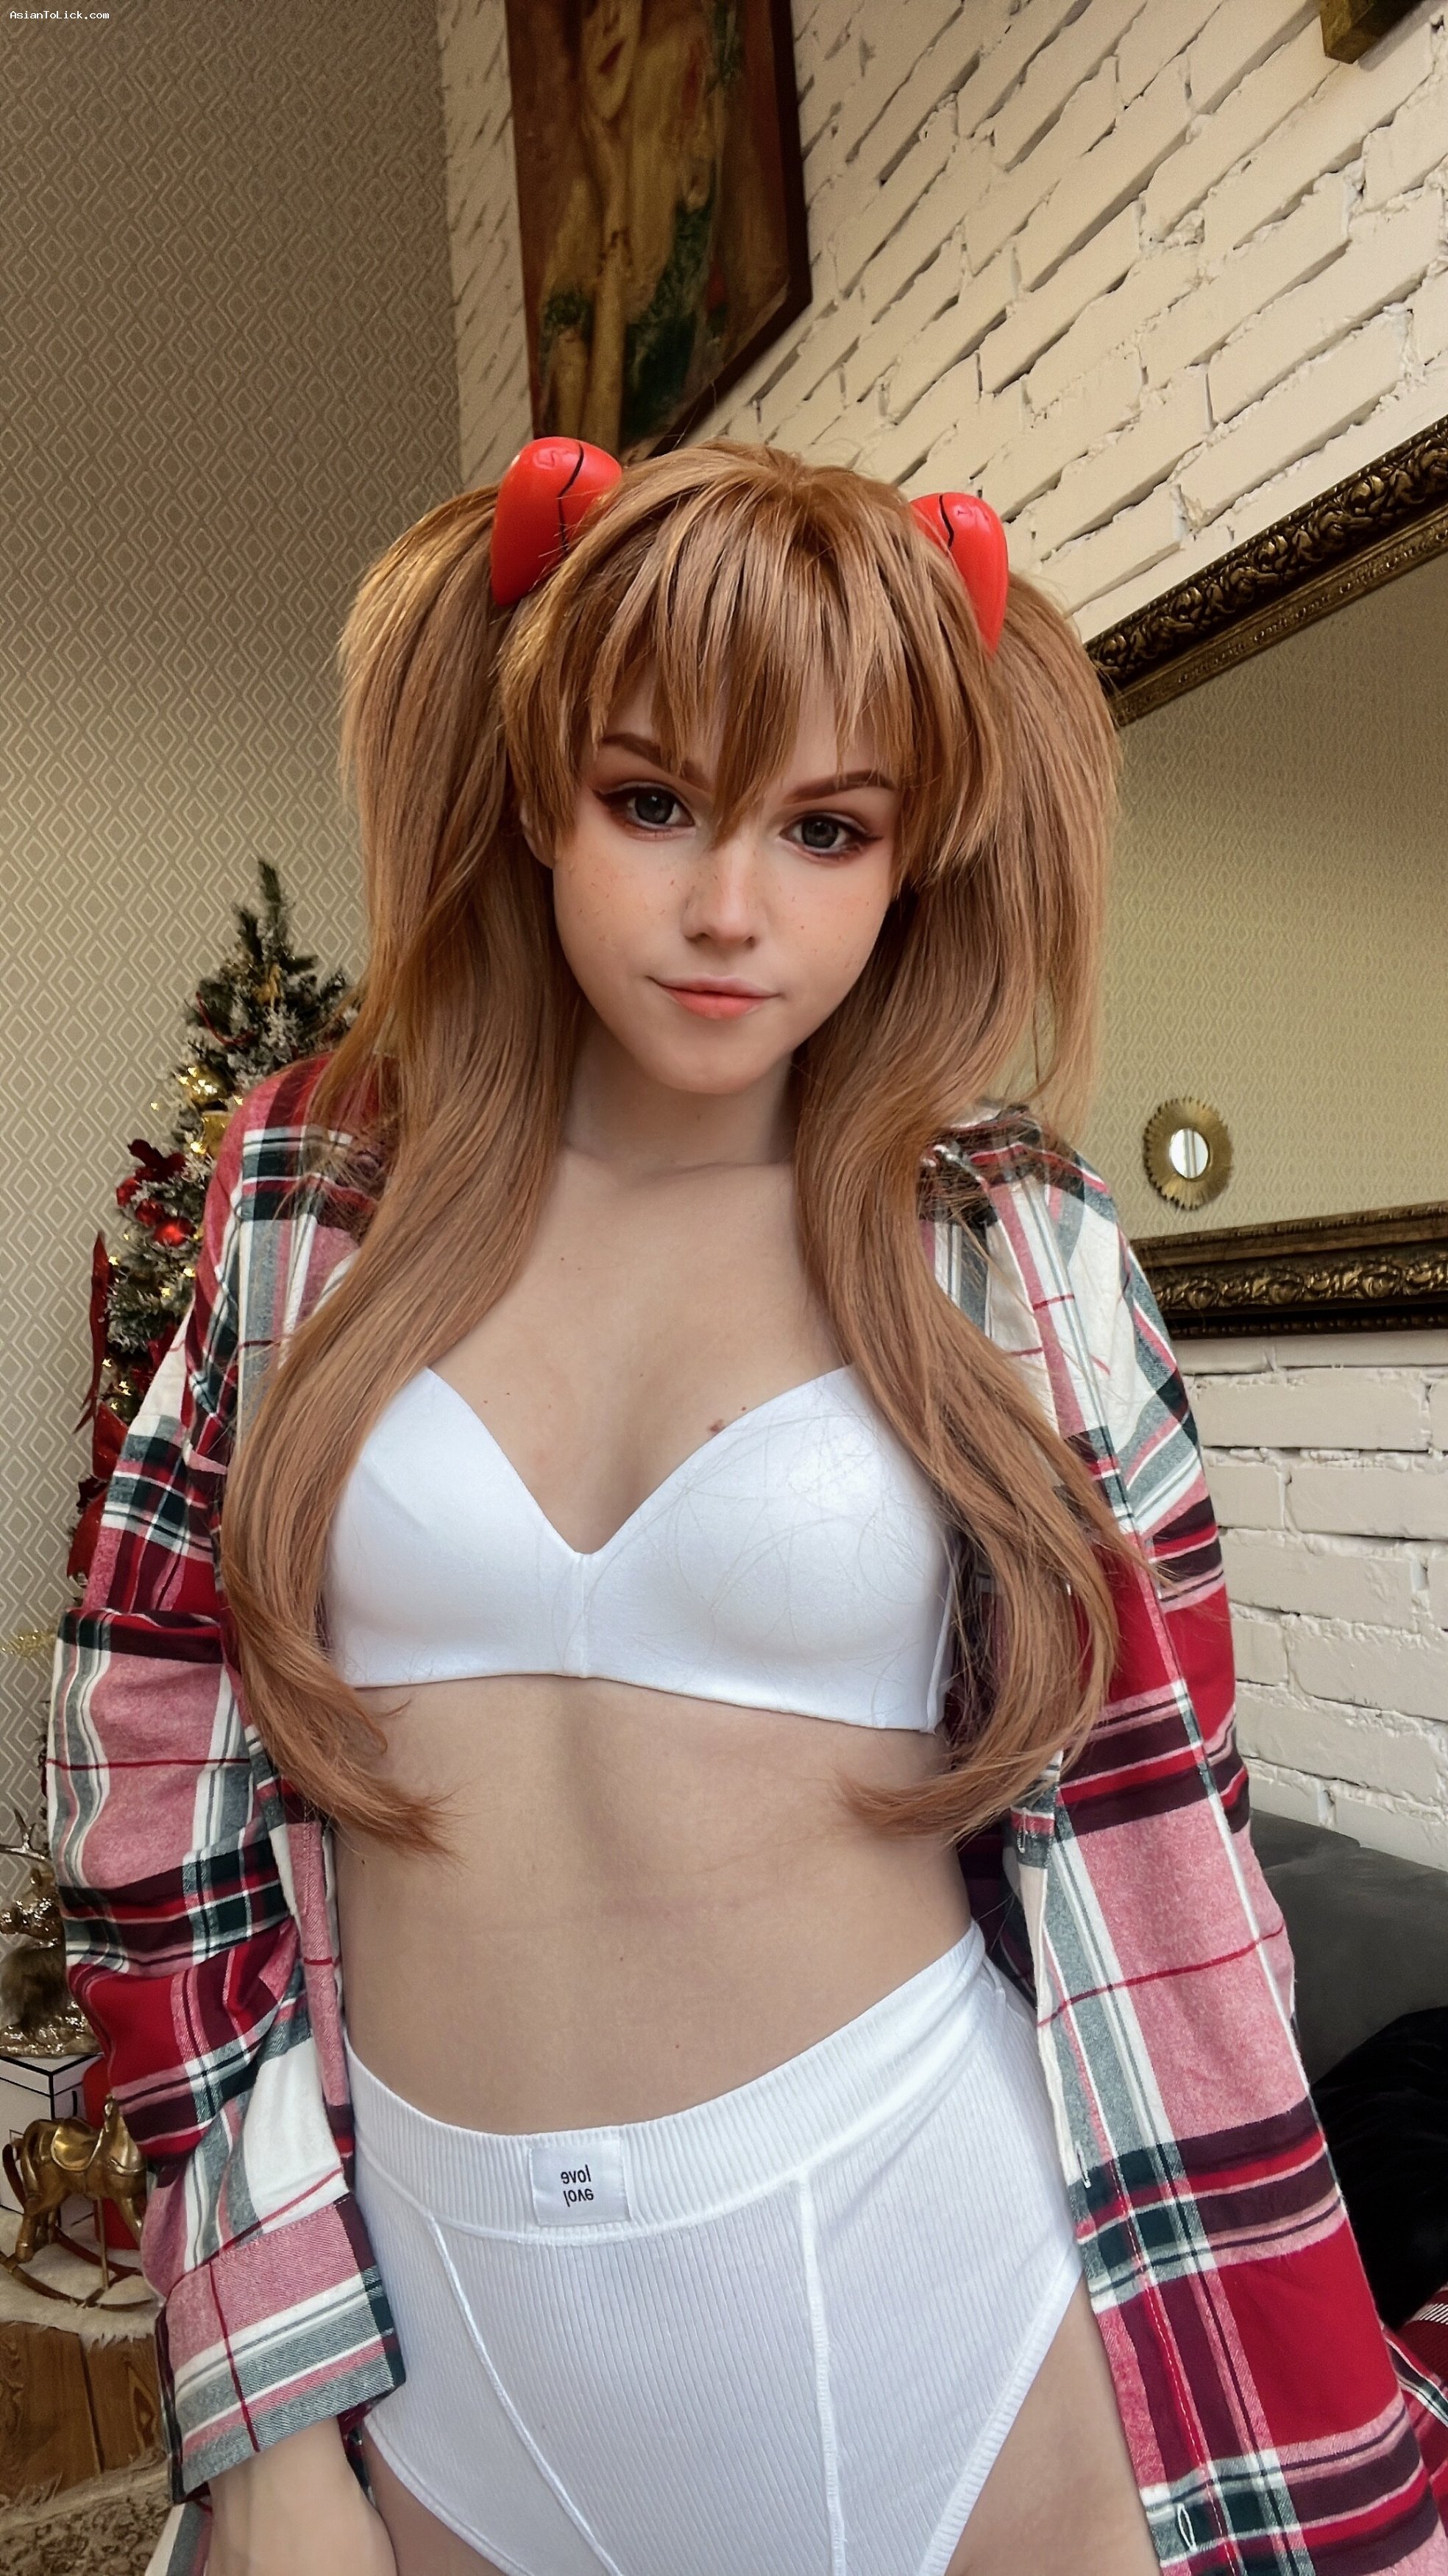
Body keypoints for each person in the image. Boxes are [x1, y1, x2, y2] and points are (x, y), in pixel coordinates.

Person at [49, 439, 1448, 2576]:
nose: (732, 908)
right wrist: (264, 2417)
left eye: (826, 828)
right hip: (440, 2346)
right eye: (652, 802)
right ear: (538, 792)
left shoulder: (1010, 1245)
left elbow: (1173, 1838)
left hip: (947, 2285)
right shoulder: (309, 1202)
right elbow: (149, 1796)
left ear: (910, 855)